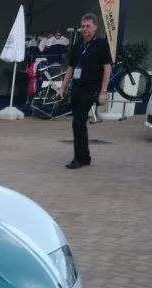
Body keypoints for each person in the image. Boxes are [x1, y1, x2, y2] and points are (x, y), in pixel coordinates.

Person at [57, 13, 111, 170]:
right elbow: (71, 68)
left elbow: (107, 68)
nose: (85, 29)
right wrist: (62, 88)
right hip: (77, 88)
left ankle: (78, 158)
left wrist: (103, 91)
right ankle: (85, 157)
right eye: (83, 26)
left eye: (88, 26)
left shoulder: (101, 45)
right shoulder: (77, 46)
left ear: (95, 27)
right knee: (79, 123)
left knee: (78, 122)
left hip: (91, 89)